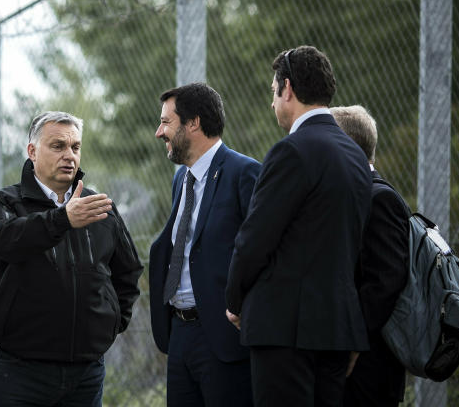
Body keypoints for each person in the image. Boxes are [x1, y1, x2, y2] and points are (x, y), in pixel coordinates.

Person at [225, 45, 372, 407]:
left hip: (286, 331)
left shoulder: (292, 150)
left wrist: (235, 299)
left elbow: (256, 237)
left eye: (272, 91)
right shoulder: (355, 154)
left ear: (286, 88)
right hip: (337, 329)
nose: (272, 103)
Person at [0, 111, 143, 407]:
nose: (69, 155)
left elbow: (128, 271)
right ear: (32, 151)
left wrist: (110, 323)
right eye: (58, 146)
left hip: (85, 371)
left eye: (75, 147)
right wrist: (62, 219)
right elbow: (4, 242)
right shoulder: (5, 201)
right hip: (19, 370)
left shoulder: (99, 207)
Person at [149, 84, 260, 406]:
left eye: (167, 122)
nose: (159, 132)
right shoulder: (179, 179)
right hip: (180, 334)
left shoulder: (245, 173)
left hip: (225, 337)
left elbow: (260, 252)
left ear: (193, 123)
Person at [330, 105, 411, 407]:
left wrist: (352, 344)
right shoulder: (354, 193)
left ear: (346, 147)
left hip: (369, 366)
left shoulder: (380, 198)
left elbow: (385, 282)